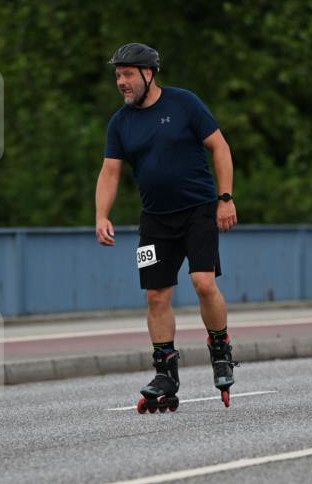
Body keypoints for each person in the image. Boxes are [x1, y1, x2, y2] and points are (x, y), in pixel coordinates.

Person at [95, 42, 238, 411]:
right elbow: (110, 172)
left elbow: (220, 147)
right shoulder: (120, 122)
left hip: (198, 211)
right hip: (155, 220)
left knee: (203, 282)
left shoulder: (184, 103)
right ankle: (165, 372)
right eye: (118, 76)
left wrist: (225, 198)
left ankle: (220, 348)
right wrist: (101, 215)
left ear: (148, 74)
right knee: (155, 296)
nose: (121, 82)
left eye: (127, 74)